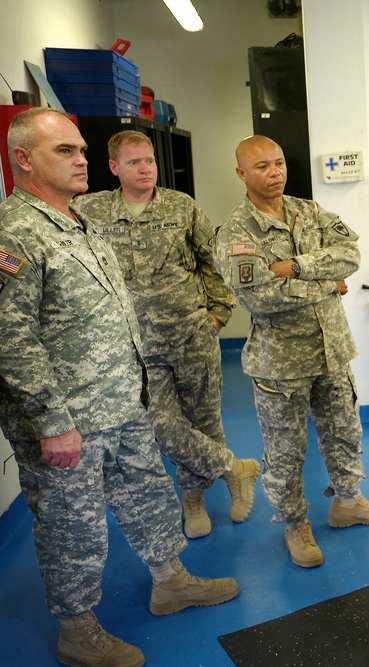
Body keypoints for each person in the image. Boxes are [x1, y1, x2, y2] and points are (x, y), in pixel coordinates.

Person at [0, 108, 240, 667]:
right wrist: (52, 422)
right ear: (23, 159)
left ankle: (171, 581)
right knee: (71, 525)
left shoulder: (77, 220)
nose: (80, 160)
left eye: (81, 150)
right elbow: (12, 339)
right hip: (68, 420)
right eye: (65, 151)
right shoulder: (16, 232)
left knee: (149, 495)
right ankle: (76, 629)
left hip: (122, 400)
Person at [214, 135, 369, 569]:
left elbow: (349, 254)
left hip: (331, 348)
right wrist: (325, 283)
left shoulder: (310, 211)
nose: (274, 171)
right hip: (281, 364)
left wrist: (297, 266)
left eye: (278, 162)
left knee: (345, 431)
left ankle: (348, 502)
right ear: (242, 173)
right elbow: (260, 296)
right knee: (285, 450)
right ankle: (295, 523)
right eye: (261, 166)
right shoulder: (235, 233)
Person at [72, 130, 260, 540]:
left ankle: (194, 499)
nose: (145, 169)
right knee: (162, 425)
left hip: (193, 335)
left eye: (150, 161)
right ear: (114, 167)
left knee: (204, 420)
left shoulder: (181, 206)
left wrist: (218, 313)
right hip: (138, 347)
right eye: (135, 162)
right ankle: (235, 470)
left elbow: (213, 261)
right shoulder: (89, 210)